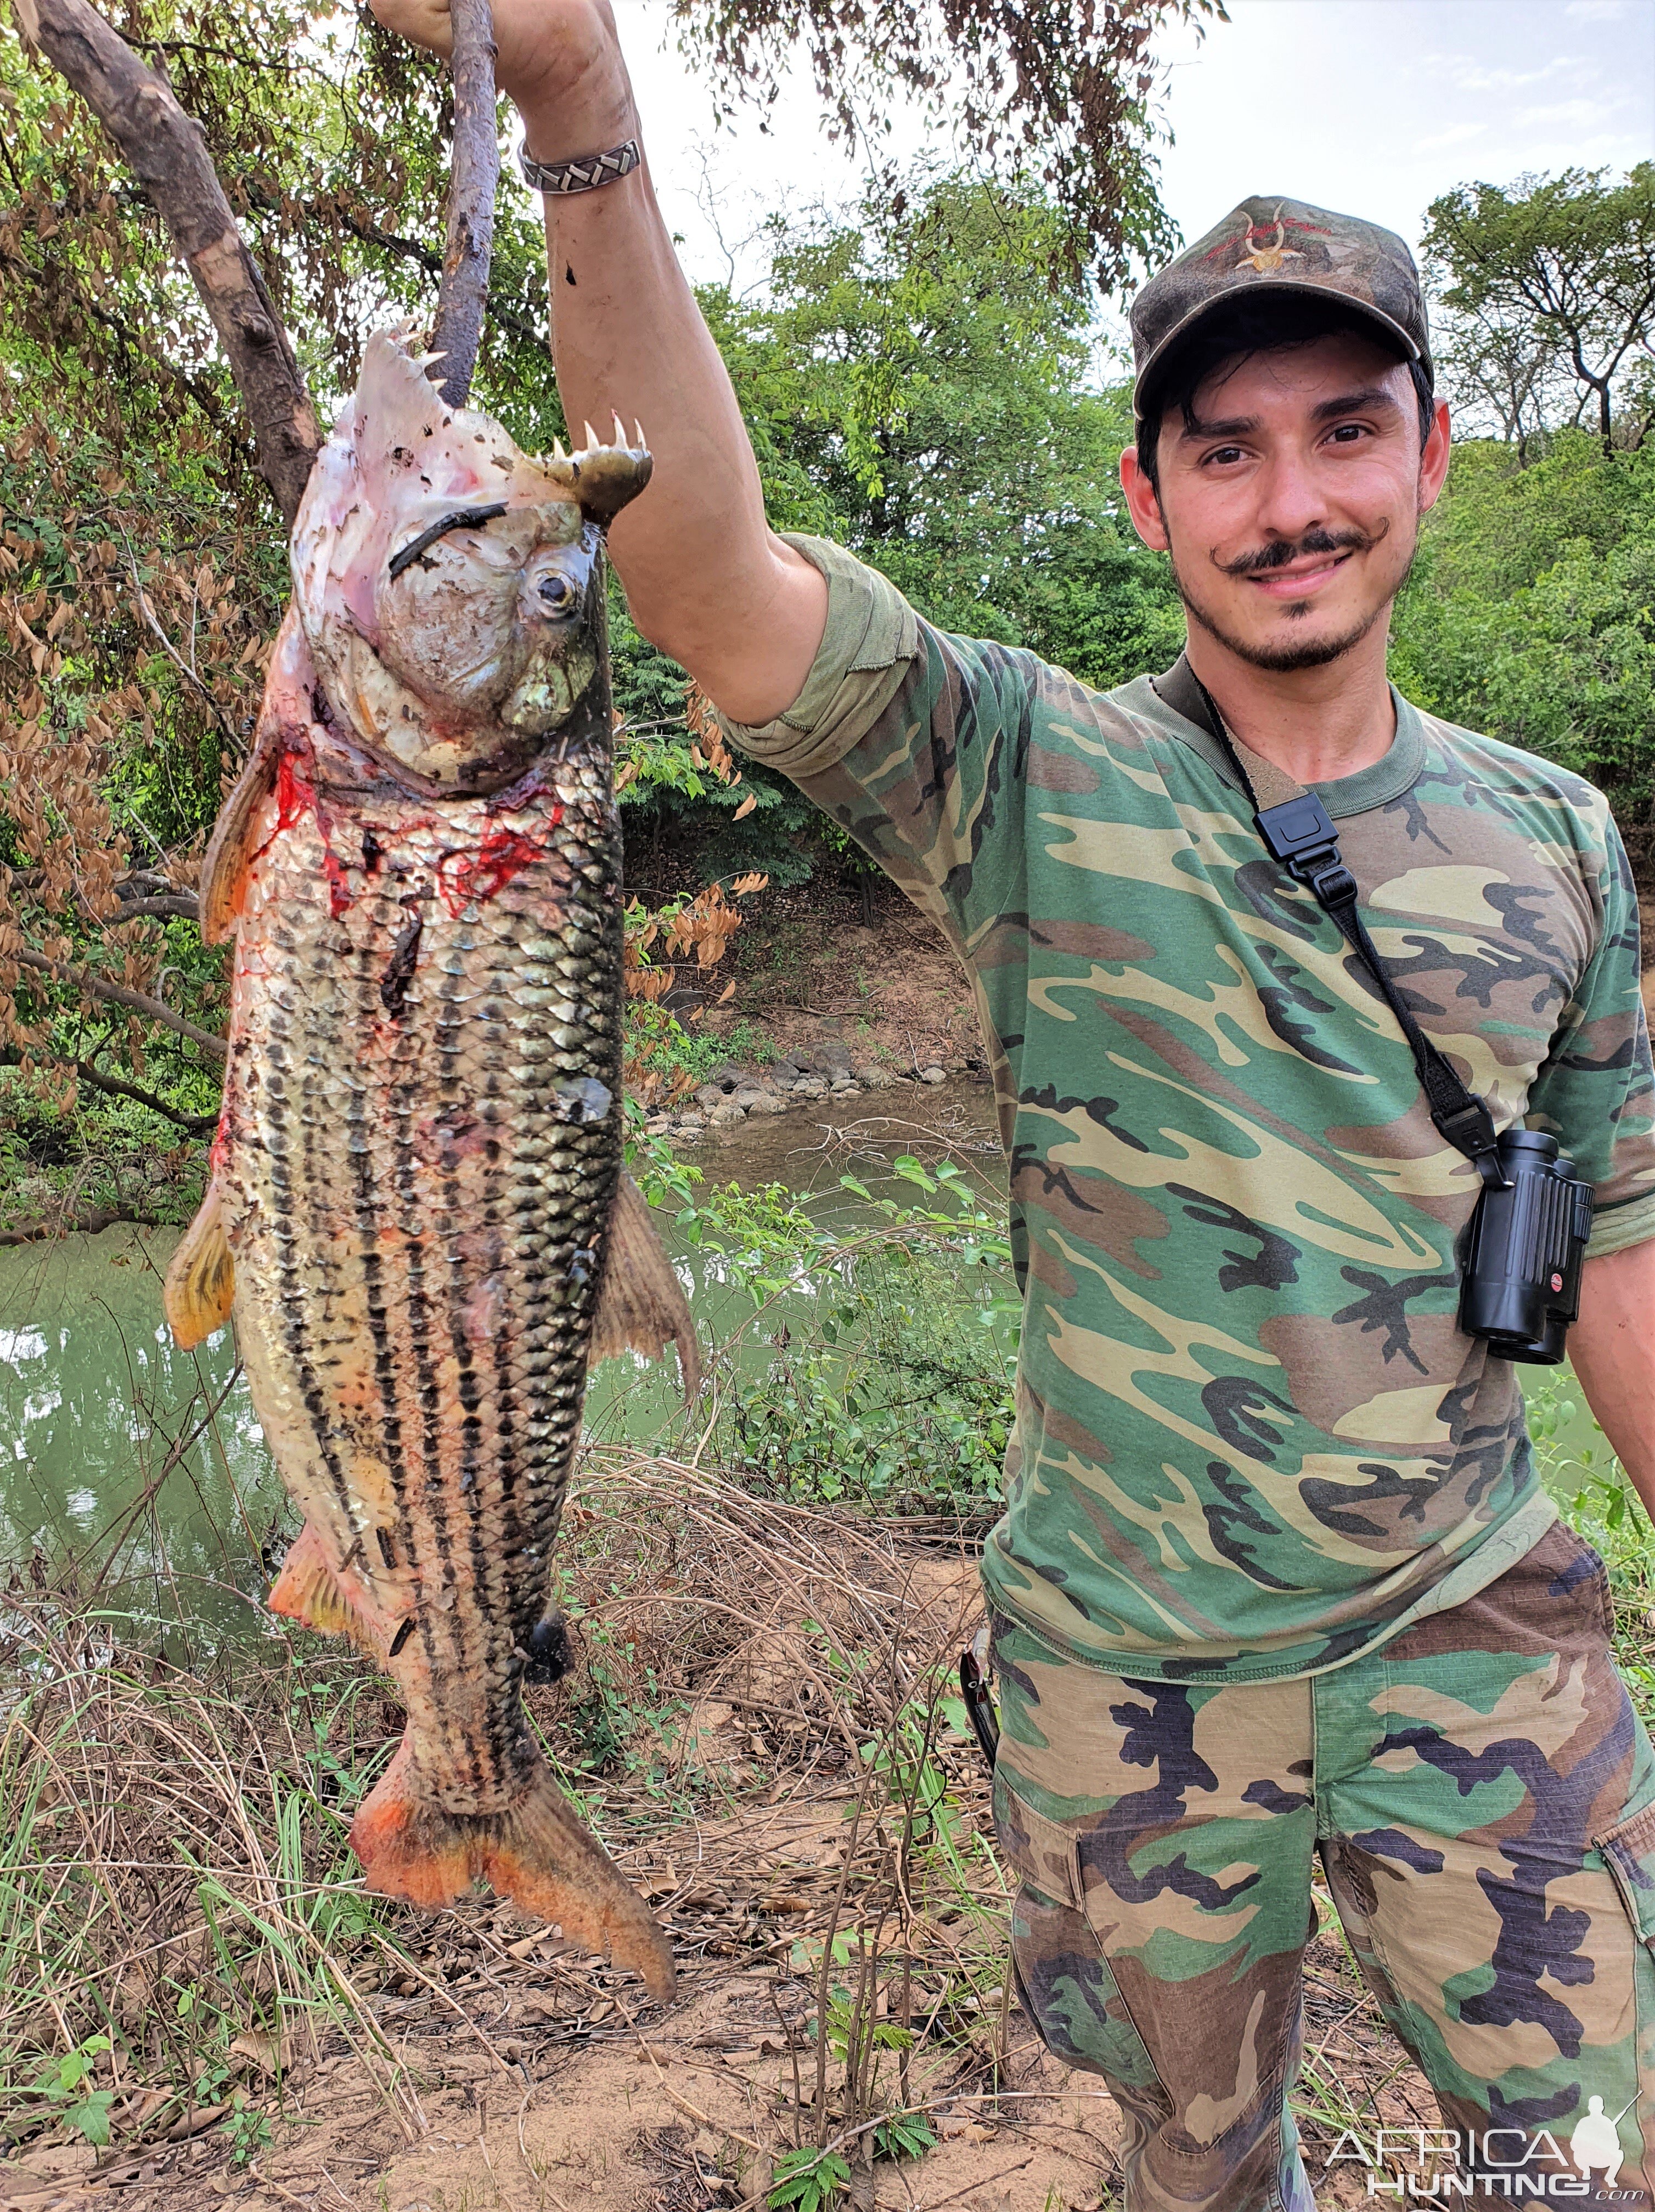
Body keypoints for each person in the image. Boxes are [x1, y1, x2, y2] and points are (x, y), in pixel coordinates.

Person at [371, 4, 1655, 2203]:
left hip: (1471, 1638)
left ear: (1433, 455)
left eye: (1344, 433)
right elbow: (699, 579)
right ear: (1147, 493)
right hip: (1126, 1677)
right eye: (1226, 452)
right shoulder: (1027, 770)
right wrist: (577, 106)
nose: (1293, 503)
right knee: (1193, 2164)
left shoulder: (1560, 843)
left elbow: (1615, 1233)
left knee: (1579, 2157)